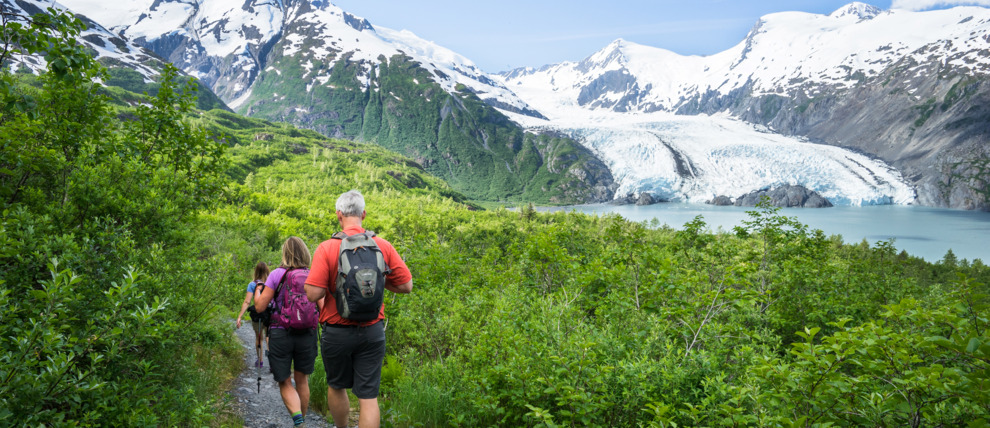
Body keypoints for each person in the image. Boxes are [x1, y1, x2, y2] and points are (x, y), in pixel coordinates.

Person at [305, 190, 413, 428]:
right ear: (363, 214)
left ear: (338, 215)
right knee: (368, 396)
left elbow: (313, 293)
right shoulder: (382, 245)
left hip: (337, 331)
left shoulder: (327, 248)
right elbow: (406, 285)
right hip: (372, 330)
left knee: (337, 385)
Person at [254, 237, 319, 428]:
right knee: (302, 380)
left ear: (285, 253)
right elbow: (322, 308)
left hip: (280, 333)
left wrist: (259, 291)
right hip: (307, 333)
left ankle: (298, 420)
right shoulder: (313, 274)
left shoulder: (276, 274)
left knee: (284, 380)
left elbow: (259, 307)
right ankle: (302, 421)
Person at [236, 262, 271, 368]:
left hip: (257, 314)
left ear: (256, 271)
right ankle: (272, 363)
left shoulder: (252, 284)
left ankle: (260, 361)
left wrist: (240, 316)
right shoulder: (271, 283)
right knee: (269, 337)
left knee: (259, 337)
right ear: (267, 271)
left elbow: (247, 302)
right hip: (270, 313)